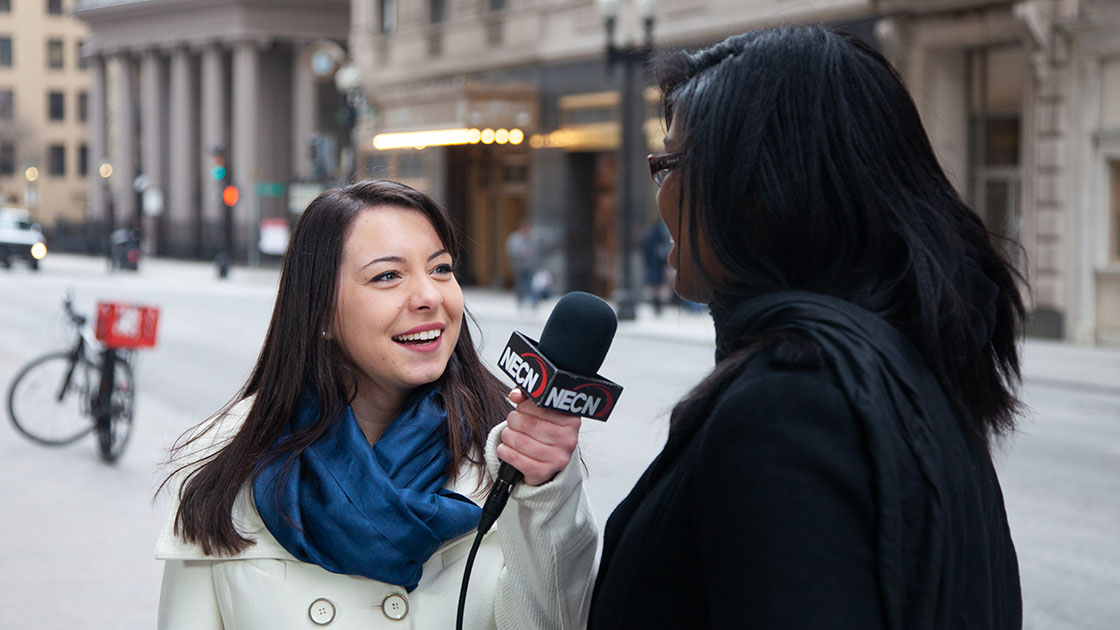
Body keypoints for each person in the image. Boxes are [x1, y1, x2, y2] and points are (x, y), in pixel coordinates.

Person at [589, 26, 1024, 629]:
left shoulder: (793, 403)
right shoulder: (913, 366)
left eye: (669, 164)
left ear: (759, 189)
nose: (660, 196)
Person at [155, 180, 597, 629]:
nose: (429, 297)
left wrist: (547, 493)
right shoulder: (226, 459)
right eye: (388, 276)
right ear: (320, 311)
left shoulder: (508, 452)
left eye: (441, 269)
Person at [505, 221, 539, 309]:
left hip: (529, 266)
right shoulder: (515, 239)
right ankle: (520, 301)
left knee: (531, 284)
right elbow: (511, 250)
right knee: (520, 284)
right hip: (519, 266)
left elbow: (537, 251)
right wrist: (521, 253)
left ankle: (533, 302)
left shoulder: (532, 238)